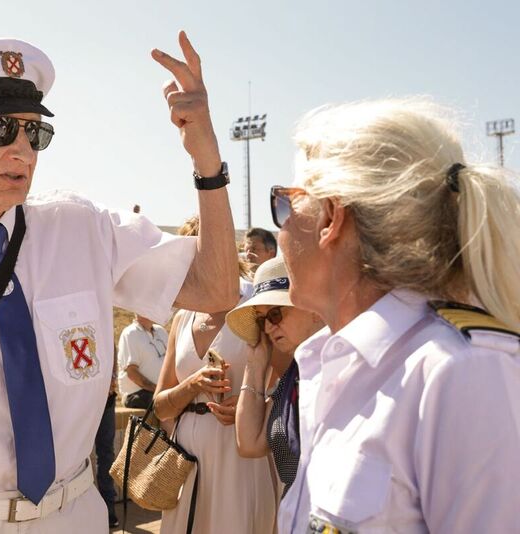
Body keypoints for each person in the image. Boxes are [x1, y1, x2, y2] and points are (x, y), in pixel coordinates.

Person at [0, 32, 238, 534]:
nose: (23, 151)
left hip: (75, 514)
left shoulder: (82, 229)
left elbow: (217, 290)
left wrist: (206, 161)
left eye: (34, 132)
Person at [272, 98, 520, 533]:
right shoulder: (331, 361)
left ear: (331, 216)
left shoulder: (461, 371)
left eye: (286, 205)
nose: (281, 229)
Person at [154, 217, 276, 534]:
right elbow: (160, 407)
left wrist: (251, 408)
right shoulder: (181, 319)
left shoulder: (255, 311)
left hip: (239, 456)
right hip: (185, 461)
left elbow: (287, 385)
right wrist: (191, 385)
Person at [225, 257, 324, 499]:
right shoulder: (294, 376)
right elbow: (249, 443)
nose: (268, 328)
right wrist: (256, 363)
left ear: (311, 307)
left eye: (275, 314)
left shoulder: (346, 367)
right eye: (261, 320)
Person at [117, 314, 168, 408]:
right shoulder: (130, 333)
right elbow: (132, 373)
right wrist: (158, 390)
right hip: (137, 393)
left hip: (161, 391)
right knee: (168, 403)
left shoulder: (161, 331)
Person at [94, 348, 120, 528]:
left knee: (106, 454)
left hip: (106, 399)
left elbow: (111, 348)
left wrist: (112, 378)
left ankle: (108, 508)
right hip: (80, 399)